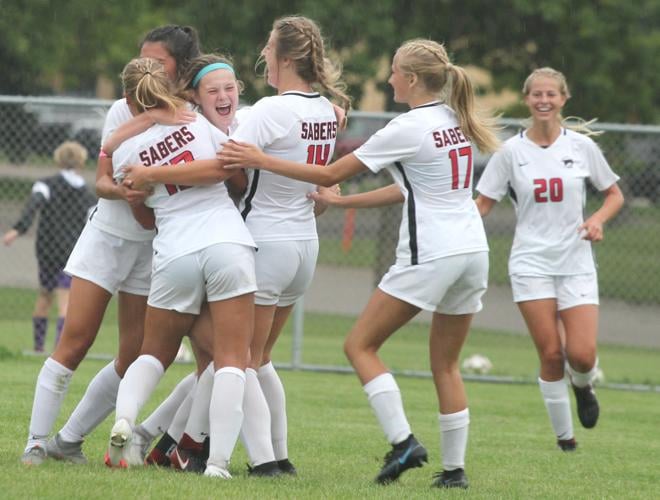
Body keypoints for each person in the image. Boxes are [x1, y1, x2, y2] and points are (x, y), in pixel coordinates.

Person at [218, 38, 499, 489]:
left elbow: (330, 173)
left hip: (433, 251)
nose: (387, 79)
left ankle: (403, 440)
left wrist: (259, 158)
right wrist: (344, 206)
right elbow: (410, 189)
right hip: (473, 252)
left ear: (409, 79)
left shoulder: (407, 126)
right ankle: (454, 472)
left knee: (359, 346)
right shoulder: (455, 119)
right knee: (446, 365)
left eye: (392, 71)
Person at [123, 15, 350, 476]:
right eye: (216, 90)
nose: (262, 55)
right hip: (304, 244)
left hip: (263, 240)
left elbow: (224, 165)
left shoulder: (267, 110)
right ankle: (172, 437)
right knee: (250, 360)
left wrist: (147, 168)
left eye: (268, 47)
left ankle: (249, 457)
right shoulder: (324, 108)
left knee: (237, 360)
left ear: (285, 58)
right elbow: (310, 177)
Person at [20, 25, 201, 466]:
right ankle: (36, 443)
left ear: (180, 67)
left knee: (133, 355)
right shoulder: (124, 109)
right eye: (143, 60)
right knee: (76, 340)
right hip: (107, 239)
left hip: (153, 249)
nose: (148, 70)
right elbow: (104, 180)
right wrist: (128, 182)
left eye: (159, 63)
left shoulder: (194, 114)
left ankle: (68, 439)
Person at [105, 57, 257, 482]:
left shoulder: (126, 151)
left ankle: (126, 420)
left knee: (154, 351)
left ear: (130, 99)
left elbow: (144, 219)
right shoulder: (195, 121)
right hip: (226, 241)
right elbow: (224, 170)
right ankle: (216, 465)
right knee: (232, 358)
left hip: (173, 251)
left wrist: (146, 185)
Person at [475, 67, 624, 451]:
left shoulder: (581, 148)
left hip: (575, 260)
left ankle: (583, 384)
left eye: (551, 95)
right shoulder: (510, 152)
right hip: (530, 262)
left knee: (581, 353)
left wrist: (596, 221)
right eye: (536, 94)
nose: (544, 101)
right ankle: (565, 439)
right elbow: (483, 205)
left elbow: (614, 195)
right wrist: (447, 222)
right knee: (552, 353)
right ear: (526, 99)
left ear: (563, 99)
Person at [3, 141, 96, 352]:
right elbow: (94, 223)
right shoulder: (87, 195)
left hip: (46, 250)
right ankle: (58, 350)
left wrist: (17, 230)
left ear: (58, 160)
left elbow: (33, 205)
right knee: (65, 301)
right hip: (70, 253)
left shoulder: (46, 185)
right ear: (81, 162)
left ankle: (38, 348)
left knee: (44, 296)